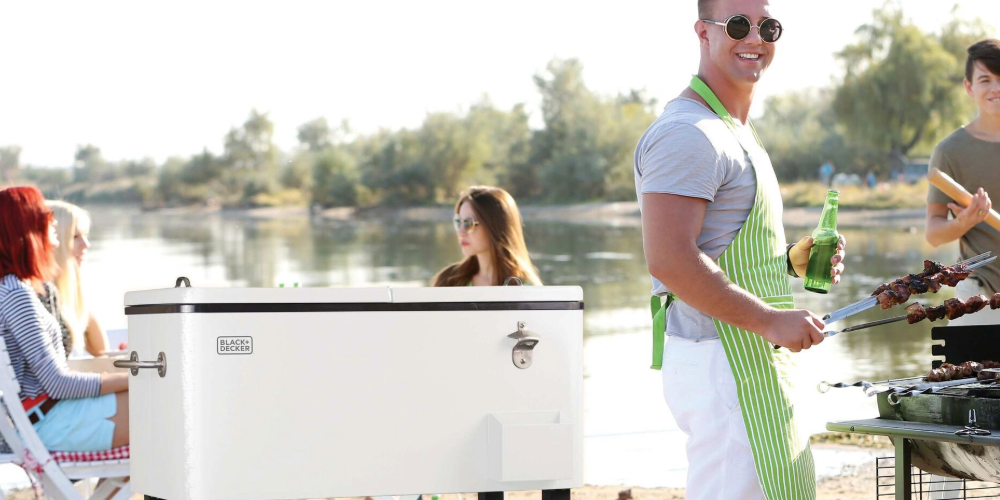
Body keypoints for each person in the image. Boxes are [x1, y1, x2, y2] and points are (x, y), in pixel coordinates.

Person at [633, 1, 847, 499]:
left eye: (767, 26)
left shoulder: (733, 129)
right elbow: (670, 260)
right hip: (723, 365)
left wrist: (790, 259)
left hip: (748, 361)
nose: (754, 37)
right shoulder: (688, 133)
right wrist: (772, 320)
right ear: (702, 33)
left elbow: (718, 246)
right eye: (737, 25)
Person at [0, 186, 129, 452]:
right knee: (167, 402)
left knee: (166, 407)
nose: (54, 224)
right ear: (27, 229)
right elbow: (58, 383)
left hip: (45, 417)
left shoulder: (15, 288)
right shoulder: (16, 294)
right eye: (46, 219)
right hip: (47, 424)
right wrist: (136, 378)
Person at [926, 39, 1000, 326]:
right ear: (969, 87)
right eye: (986, 79)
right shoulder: (949, 151)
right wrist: (964, 222)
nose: (996, 88)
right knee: (969, 370)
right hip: (978, 291)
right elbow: (933, 234)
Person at [432, 186, 542, 287]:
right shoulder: (448, 281)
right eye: (458, 222)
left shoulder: (527, 288)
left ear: (494, 226)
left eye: (469, 223)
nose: (460, 232)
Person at [48, 201, 110, 357]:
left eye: (85, 236)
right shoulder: (39, 294)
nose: (86, 245)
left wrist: (76, 287)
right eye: (74, 236)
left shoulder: (63, 290)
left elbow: (100, 350)